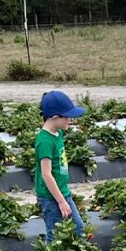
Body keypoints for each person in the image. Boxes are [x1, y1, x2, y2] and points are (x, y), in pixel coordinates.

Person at [35, 90, 86, 241]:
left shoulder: (58, 133)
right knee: (55, 234)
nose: (70, 120)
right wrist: (61, 201)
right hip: (51, 197)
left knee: (78, 229)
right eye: (67, 117)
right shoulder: (44, 141)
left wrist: (64, 197)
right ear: (55, 117)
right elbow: (46, 174)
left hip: (63, 192)